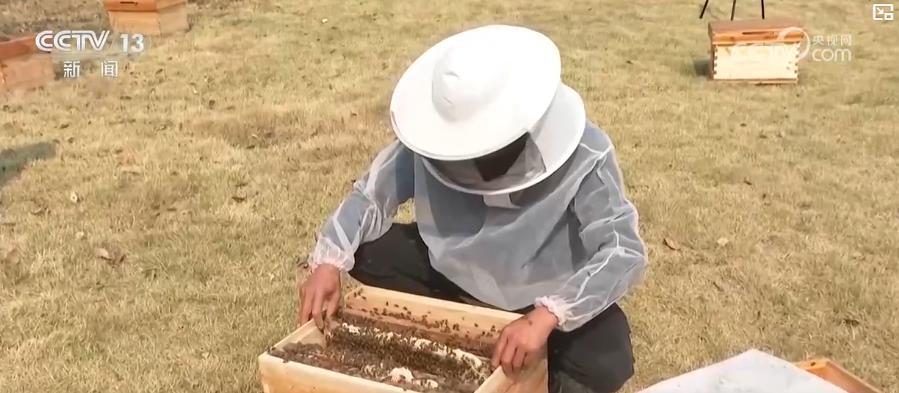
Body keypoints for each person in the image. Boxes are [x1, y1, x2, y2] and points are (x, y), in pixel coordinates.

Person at [298, 24, 647, 393]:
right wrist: (329, 262)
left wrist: (547, 316)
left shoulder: (586, 153)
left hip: (539, 298)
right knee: (368, 250)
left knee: (607, 354)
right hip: (449, 276)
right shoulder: (431, 143)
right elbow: (370, 196)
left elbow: (622, 250)